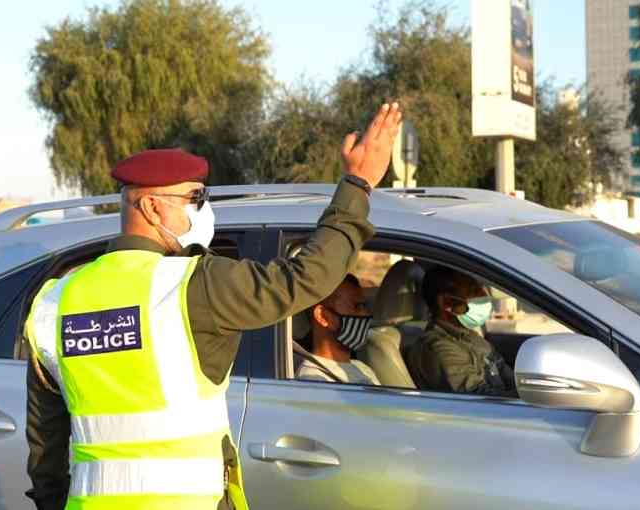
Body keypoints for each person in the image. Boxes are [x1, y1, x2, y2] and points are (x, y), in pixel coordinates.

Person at [25, 101, 403, 510]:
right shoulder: (190, 284)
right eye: (195, 197)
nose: (204, 210)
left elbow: (45, 450)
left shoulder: (54, 303)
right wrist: (358, 184)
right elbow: (307, 277)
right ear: (151, 206)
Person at [406, 265, 517, 397]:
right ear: (446, 302)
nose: (484, 296)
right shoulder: (439, 348)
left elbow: (505, 373)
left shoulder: (469, 335)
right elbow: (480, 400)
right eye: (473, 291)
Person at [296, 274, 380, 385]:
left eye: (364, 307)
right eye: (357, 307)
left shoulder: (362, 368)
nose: (365, 314)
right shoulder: (313, 380)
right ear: (323, 316)